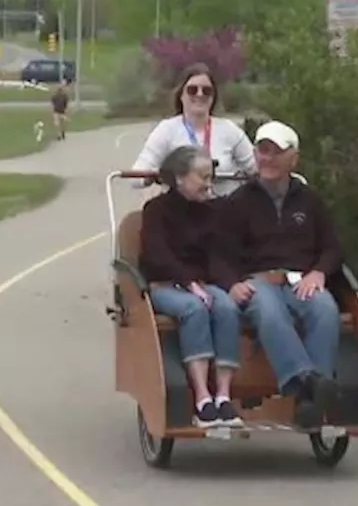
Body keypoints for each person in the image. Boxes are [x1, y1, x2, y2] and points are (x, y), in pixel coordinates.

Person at [215, 120, 344, 430]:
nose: (267, 158)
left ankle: (308, 405)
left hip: (300, 280)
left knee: (325, 308)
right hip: (258, 282)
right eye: (262, 151)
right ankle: (308, 384)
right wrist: (232, 284)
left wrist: (319, 274)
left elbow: (333, 248)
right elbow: (218, 255)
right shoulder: (238, 202)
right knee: (270, 312)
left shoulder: (310, 201)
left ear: (293, 159)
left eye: (276, 152)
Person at [139, 145, 245, 428]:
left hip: (202, 284)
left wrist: (221, 284)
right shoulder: (156, 211)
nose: (208, 184)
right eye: (202, 177)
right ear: (180, 178)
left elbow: (219, 254)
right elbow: (157, 254)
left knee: (226, 307)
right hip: (166, 284)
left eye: (210, 177)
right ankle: (201, 397)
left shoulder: (213, 211)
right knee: (193, 308)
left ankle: (223, 395)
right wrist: (188, 283)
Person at [131, 62, 256, 198]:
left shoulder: (229, 130)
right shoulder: (166, 130)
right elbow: (135, 178)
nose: (199, 94)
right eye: (192, 90)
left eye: (207, 91)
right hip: (181, 212)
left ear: (213, 98)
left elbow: (256, 167)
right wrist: (155, 175)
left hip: (223, 209)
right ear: (181, 95)